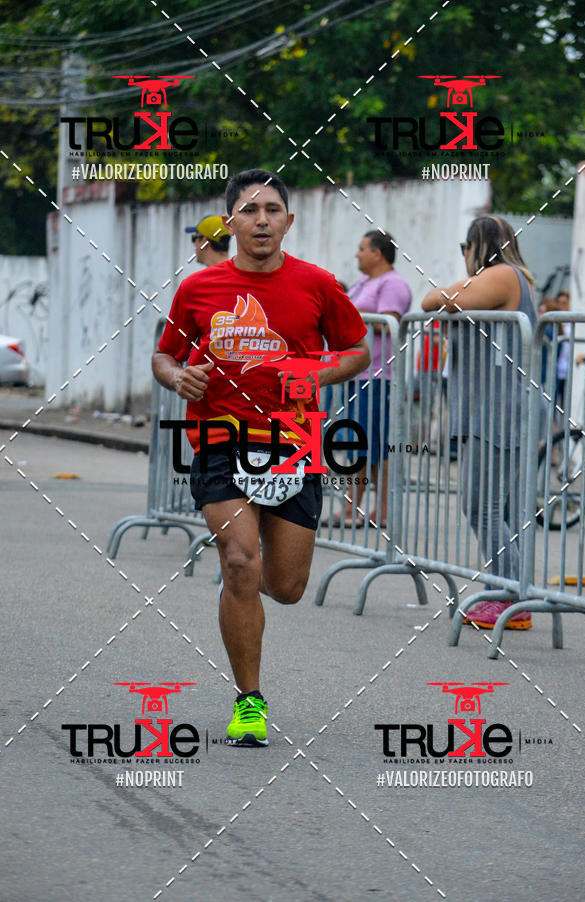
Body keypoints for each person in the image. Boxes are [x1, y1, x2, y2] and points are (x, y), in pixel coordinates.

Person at [152, 169, 370, 747]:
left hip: (293, 445)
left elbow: (358, 349)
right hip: (220, 440)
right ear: (231, 223)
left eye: (272, 209)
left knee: (286, 584)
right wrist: (180, 377)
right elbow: (163, 356)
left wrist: (317, 372)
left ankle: (247, 600)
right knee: (240, 562)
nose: (262, 220)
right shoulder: (197, 290)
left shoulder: (318, 285)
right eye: (249, 211)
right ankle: (249, 701)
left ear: (288, 221)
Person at [422, 215, 536, 631]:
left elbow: (435, 301)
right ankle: (515, 591)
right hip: (490, 409)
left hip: (498, 411)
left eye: (464, 248)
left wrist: (441, 292)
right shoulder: (508, 279)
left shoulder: (503, 276)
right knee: (496, 508)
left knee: (480, 506)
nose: (463, 257)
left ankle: (513, 595)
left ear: (477, 246)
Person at [338, 231, 411, 528]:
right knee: (363, 445)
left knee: (373, 447)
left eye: (362, 248)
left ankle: (372, 510)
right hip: (359, 374)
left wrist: (354, 315)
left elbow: (388, 326)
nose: (357, 254)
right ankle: (356, 507)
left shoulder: (392, 284)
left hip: (379, 377)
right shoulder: (363, 283)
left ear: (378, 253)